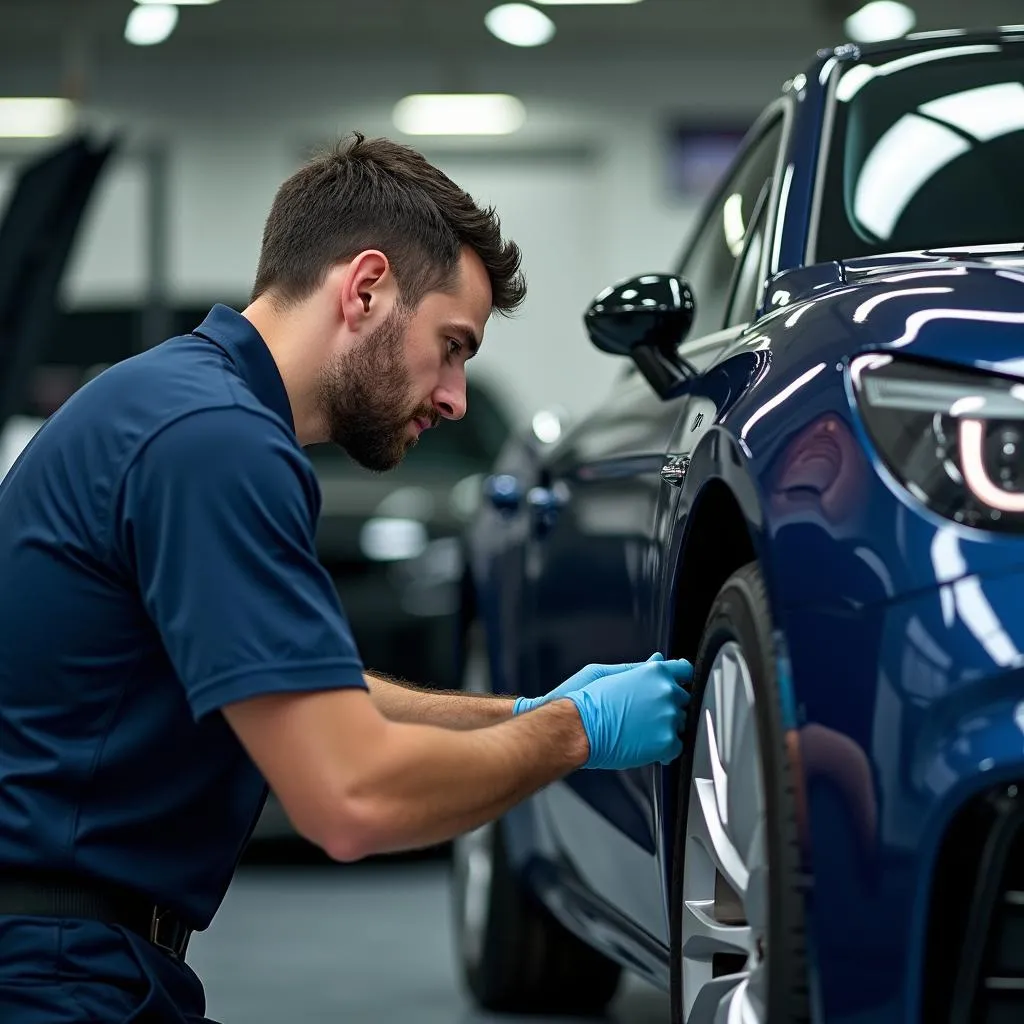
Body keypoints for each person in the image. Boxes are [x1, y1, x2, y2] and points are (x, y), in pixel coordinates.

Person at [0, 133, 692, 1023]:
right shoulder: (218, 442)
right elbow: (350, 798)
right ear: (365, 289)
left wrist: (519, 712)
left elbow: (309, 689)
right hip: (52, 980)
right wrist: (572, 737)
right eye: (451, 346)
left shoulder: (178, 404)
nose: (455, 397)